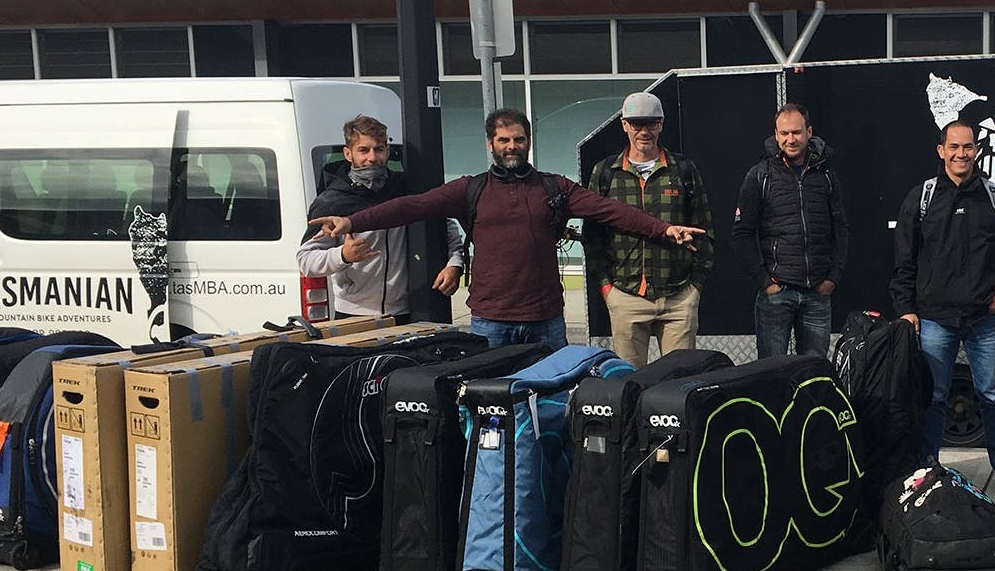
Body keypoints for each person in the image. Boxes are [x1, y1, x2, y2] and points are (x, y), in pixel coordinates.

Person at [310, 108, 704, 351]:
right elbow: (410, 207)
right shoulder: (471, 188)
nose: (511, 146)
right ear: (490, 144)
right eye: (503, 140)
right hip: (490, 321)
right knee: (489, 420)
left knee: (550, 412)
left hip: (545, 321)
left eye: (518, 139)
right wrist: (351, 221)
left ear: (529, 142)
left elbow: (610, 211)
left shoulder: (555, 188)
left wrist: (664, 229)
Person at [890, 116, 995, 498]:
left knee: (992, 396)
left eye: (967, 146)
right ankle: (927, 468)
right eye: (953, 147)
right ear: (941, 151)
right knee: (934, 398)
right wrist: (907, 309)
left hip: (984, 318)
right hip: (935, 318)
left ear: (977, 150)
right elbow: (904, 259)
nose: (961, 154)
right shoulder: (921, 198)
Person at [582, 92, 715, 368]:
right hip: (625, 295)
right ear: (624, 125)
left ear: (662, 125)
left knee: (679, 385)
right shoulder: (605, 173)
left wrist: (695, 288)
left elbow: (705, 230)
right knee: (628, 384)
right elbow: (592, 236)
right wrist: (607, 288)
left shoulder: (683, 170)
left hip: (678, 296)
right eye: (636, 124)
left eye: (651, 124)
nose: (644, 131)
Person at [296, 116, 464, 321]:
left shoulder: (405, 189)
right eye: (363, 150)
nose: (372, 158)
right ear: (348, 154)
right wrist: (342, 255)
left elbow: (446, 227)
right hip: (353, 314)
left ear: (388, 150)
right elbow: (305, 260)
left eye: (379, 149)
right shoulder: (331, 201)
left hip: (407, 311)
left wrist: (455, 264)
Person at [731, 103, 849, 358]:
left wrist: (833, 277)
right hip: (776, 293)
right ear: (775, 135)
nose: (790, 139)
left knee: (814, 373)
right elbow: (742, 234)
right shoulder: (759, 175)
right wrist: (764, 281)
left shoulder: (826, 174)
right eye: (784, 133)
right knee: (770, 373)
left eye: (796, 132)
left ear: (809, 132)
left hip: (818, 293)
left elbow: (840, 227)